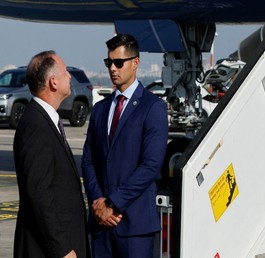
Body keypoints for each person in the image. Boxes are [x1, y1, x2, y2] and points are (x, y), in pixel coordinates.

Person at [81, 33, 168, 257]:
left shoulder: (153, 107)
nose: (112, 68)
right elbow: (89, 160)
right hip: (101, 225)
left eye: (118, 63)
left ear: (135, 63)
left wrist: (113, 203)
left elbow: (151, 165)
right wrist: (97, 203)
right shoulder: (100, 109)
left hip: (134, 226)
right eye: (108, 62)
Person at [13, 51, 90, 258]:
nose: (70, 76)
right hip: (49, 250)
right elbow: (40, 194)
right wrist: (62, 248)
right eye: (65, 72)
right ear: (53, 82)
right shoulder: (36, 126)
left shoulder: (45, 120)